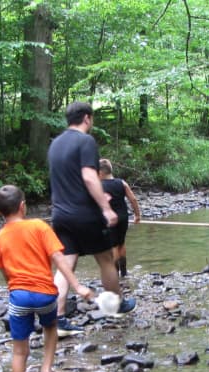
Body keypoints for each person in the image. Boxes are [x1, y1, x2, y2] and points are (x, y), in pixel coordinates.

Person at [0, 185, 93, 372]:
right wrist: (77, 286)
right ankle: (45, 369)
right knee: (51, 326)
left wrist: (14, 289)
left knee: (19, 352)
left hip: (19, 297)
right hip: (45, 294)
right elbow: (58, 258)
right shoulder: (39, 226)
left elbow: (5, 272)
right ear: (22, 206)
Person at [47, 102, 133, 335]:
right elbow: (88, 176)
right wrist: (105, 207)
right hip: (85, 214)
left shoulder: (55, 144)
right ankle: (117, 305)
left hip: (60, 214)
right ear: (87, 118)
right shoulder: (85, 141)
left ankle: (57, 318)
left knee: (66, 264)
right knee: (105, 259)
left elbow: (68, 179)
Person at [98, 158, 142, 278]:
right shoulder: (122, 183)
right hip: (123, 218)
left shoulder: (99, 186)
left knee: (113, 246)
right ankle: (124, 272)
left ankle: (115, 274)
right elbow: (133, 199)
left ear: (100, 172)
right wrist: (137, 215)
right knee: (121, 244)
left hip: (109, 220)